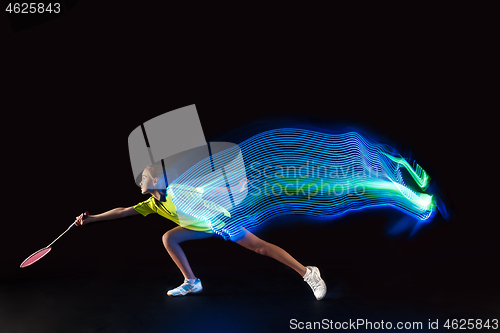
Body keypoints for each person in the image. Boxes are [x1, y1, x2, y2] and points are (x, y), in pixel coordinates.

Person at [74, 163, 327, 300]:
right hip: (197, 226)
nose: (140, 181)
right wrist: (92, 218)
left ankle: (308, 272)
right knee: (169, 237)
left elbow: (209, 192)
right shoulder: (151, 203)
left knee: (260, 247)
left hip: (216, 221)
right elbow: (122, 211)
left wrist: (238, 189)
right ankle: (192, 282)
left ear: (156, 180)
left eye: (144, 177)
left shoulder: (176, 191)